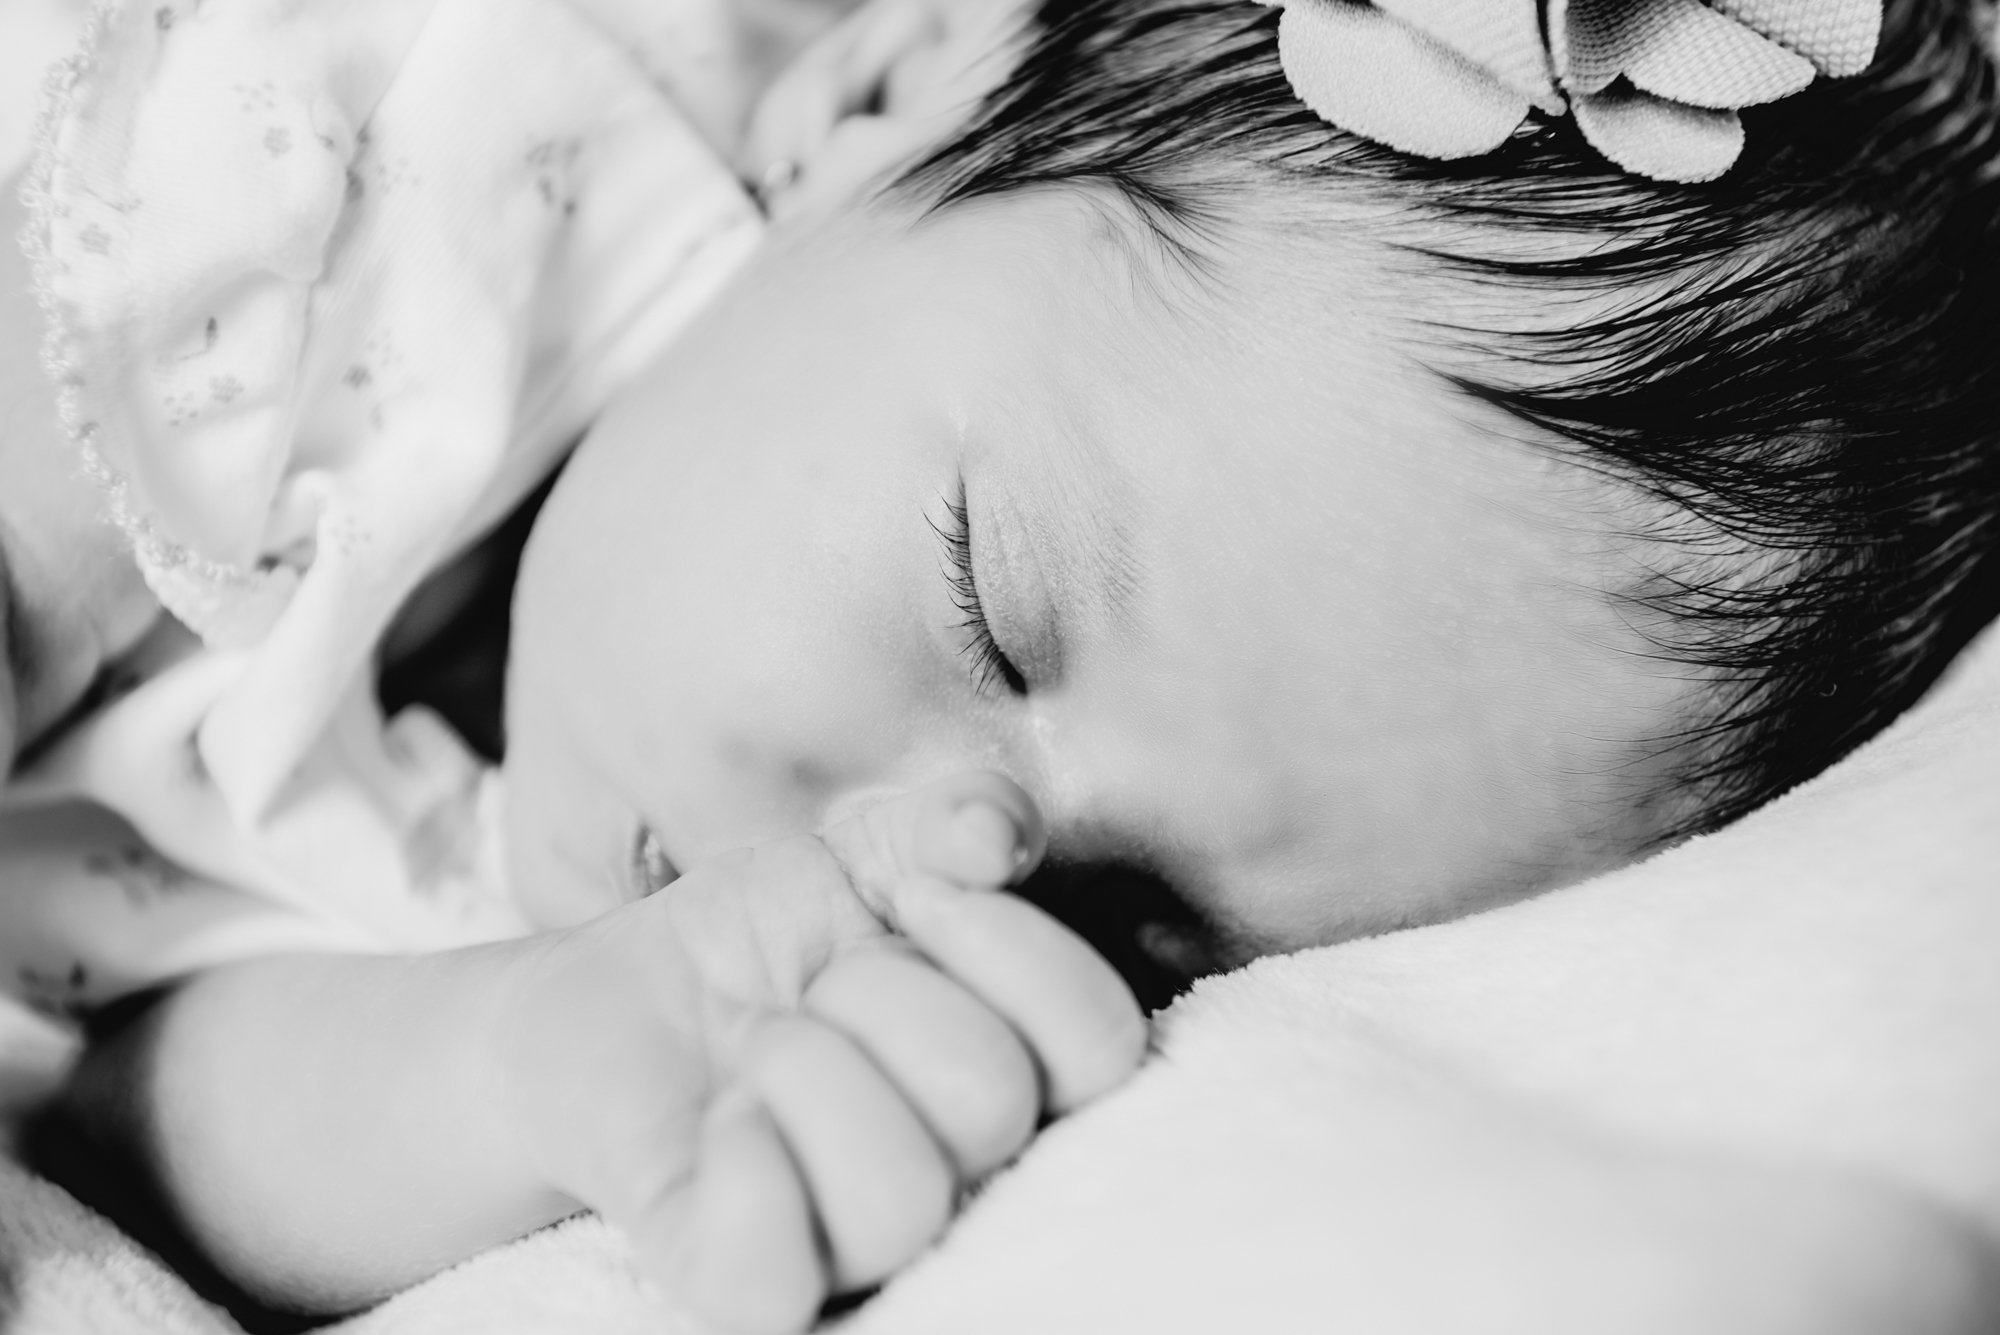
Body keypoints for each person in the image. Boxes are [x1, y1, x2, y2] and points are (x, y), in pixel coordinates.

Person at [21, 0, 2000, 1329]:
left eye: (1126, 922)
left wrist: (519, 1058)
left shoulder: (604, 879)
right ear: (876, 109)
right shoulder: (434, 162)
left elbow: (120, 1117)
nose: (920, 859)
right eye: (986, 602)